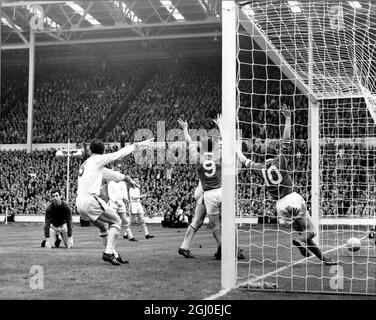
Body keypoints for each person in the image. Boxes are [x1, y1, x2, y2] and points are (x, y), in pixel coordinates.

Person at [237, 104, 337, 266]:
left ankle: (324, 259)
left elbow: (244, 161)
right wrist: (289, 118)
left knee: (304, 233)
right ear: (274, 153)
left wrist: (236, 149)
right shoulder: (280, 160)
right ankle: (298, 241)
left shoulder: (260, 168)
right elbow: (286, 140)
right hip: (293, 198)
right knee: (311, 231)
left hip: (280, 206)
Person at [76, 138, 153, 265]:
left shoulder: (88, 163)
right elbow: (119, 154)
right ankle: (108, 253)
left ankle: (114, 255)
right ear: (103, 151)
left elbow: (109, 174)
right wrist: (138, 145)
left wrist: (126, 179)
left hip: (80, 202)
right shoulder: (98, 159)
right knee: (117, 221)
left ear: (90, 151)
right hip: (90, 199)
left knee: (103, 226)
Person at [107, 177, 137, 242]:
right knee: (112, 220)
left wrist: (126, 199)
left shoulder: (123, 183)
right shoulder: (111, 183)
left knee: (125, 220)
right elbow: (110, 195)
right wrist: (116, 202)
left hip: (121, 202)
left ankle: (130, 237)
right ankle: (109, 236)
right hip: (113, 203)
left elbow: (125, 193)